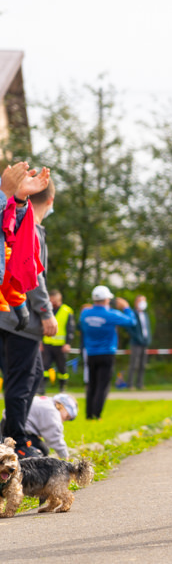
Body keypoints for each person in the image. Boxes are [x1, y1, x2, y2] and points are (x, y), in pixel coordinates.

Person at [0, 163, 56, 459]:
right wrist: (46, 311)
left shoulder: (15, 219)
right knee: (23, 381)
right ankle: (17, 442)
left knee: (28, 377)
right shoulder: (30, 226)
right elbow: (31, 272)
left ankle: (13, 431)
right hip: (20, 320)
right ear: (50, 200)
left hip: (9, 316)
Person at [78, 286, 136, 420]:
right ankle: (97, 414)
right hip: (106, 353)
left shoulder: (85, 314)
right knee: (102, 386)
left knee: (91, 384)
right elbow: (132, 322)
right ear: (106, 300)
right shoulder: (111, 314)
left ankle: (88, 414)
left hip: (91, 353)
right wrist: (126, 308)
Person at [0, 393, 78, 459]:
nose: (64, 420)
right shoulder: (53, 414)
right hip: (18, 432)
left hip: (6, 423)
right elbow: (56, 440)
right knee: (43, 450)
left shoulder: (45, 401)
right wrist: (65, 457)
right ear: (62, 406)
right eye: (67, 416)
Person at [40, 290, 75, 394]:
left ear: (60, 300)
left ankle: (62, 388)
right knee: (44, 367)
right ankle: (42, 387)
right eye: (51, 301)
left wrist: (68, 343)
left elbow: (70, 328)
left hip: (61, 345)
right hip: (47, 343)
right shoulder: (45, 310)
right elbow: (40, 326)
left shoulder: (67, 311)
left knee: (62, 368)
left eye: (54, 301)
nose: (53, 303)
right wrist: (40, 342)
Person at [126, 294, 152, 390]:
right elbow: (130, 329)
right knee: (134, 364)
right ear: (136, 302)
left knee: (142, 364)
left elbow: (147, 329)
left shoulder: (145, 314)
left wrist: (148, 339)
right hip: (135, 343)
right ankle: (130, 384)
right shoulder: (133, 314)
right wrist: (138, 338)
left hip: (144, 343)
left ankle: (140, 384)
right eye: (141, 301)